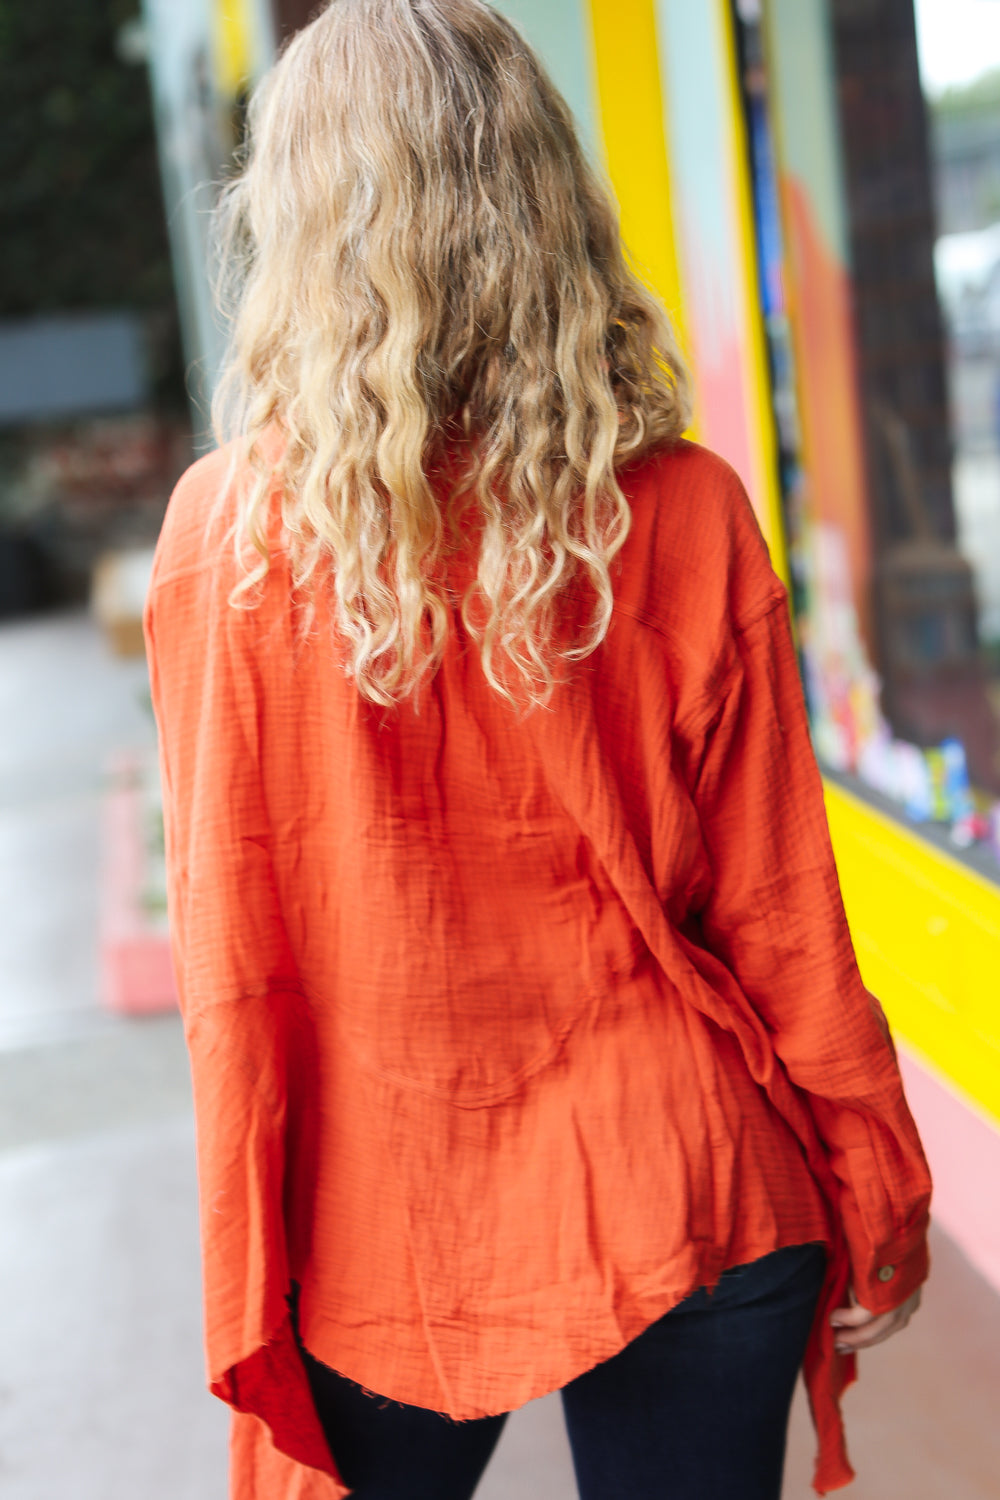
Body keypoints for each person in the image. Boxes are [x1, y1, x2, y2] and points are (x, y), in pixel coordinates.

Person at [143, 3, 931, 1497]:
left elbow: (232, 964)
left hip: (389, 1228)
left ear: (300, 227)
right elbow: (784, 919)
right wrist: (876, 1176)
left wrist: (251, 1253)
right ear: (546, 198)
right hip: (683, 1178)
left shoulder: (222, 546)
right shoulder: (680, 509)